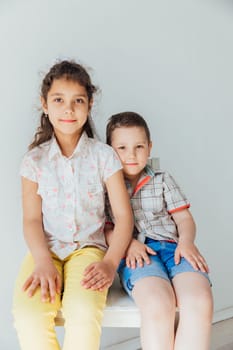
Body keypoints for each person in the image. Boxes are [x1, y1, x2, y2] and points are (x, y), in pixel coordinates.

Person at [12, 61, 133, 350]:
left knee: (83, 311)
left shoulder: (104, 156)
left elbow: (123, 217)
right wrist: (42, 260)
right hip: (47, 249)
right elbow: (31, 220)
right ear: (44, 104)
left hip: (88, 250)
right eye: (59, 100)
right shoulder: (34, 161)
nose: (68, 109)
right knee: (29, 315)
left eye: (78, 101)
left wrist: (109, 263)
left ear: (89, 105)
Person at [105, 111, 213, 350]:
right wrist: (128, 244)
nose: (131, 155)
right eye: (121, 148)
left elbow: (184, 218)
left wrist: (186, 241)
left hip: (174, 249)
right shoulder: (105, 186)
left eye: (139, 146)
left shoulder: (162, 179)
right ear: (109, 151)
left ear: (150, 147)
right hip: (137, 254)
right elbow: (105, 229)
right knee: (157, 303)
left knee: (199, 300)